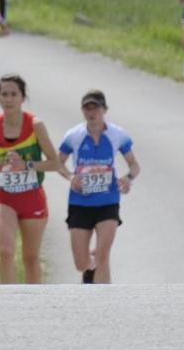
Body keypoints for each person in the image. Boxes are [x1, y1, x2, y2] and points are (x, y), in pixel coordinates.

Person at [0, 75, 62, 284]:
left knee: (30, 258)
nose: (9, 99)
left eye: (14, 94)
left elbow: (55, 163)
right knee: (5, 251)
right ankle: (8, 300)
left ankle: (33, 303)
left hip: (32, 197)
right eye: (4, 94)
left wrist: (27, 165)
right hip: (2, 197)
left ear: (23, 98)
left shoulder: (35, 125)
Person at [58, 90, 141, 284]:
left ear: (104, 110)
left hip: (108, 200)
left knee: (104, 256)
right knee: (80, 263)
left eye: (95, 108)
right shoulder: (73, 136)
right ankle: (90, 267)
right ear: (82, 111)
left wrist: (127, 178)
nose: (91, 112)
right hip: (80, 201)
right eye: (87, 108)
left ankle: (105, 305)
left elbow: (135, 166)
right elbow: (58, 162)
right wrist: (71, 177)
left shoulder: (117, 135)